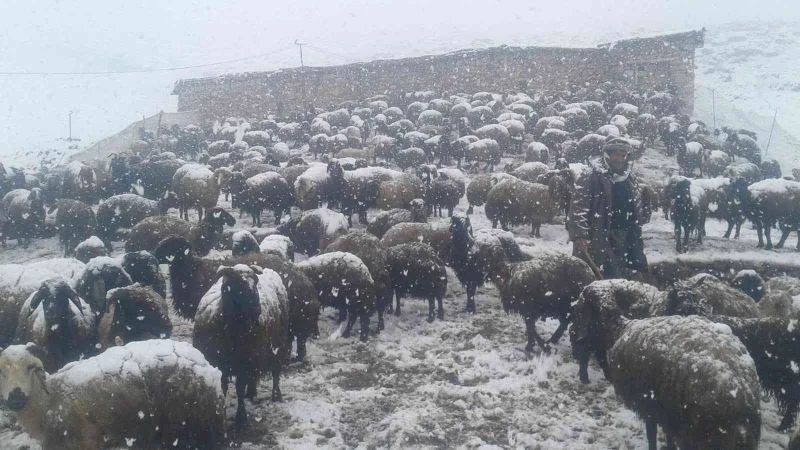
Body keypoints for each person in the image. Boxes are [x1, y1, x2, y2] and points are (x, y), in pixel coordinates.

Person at [567, 137, 650, 279]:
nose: (620, 159)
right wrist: (580, 234)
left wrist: (638, 222)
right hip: (599, 235)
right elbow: (579, 207)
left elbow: (635, 204)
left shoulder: (629, 177)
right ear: (607, 155)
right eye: (616, 154)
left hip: (626, 236)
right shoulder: (590, 176)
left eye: (623, 155)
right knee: (600, 276)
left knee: (629, 275)